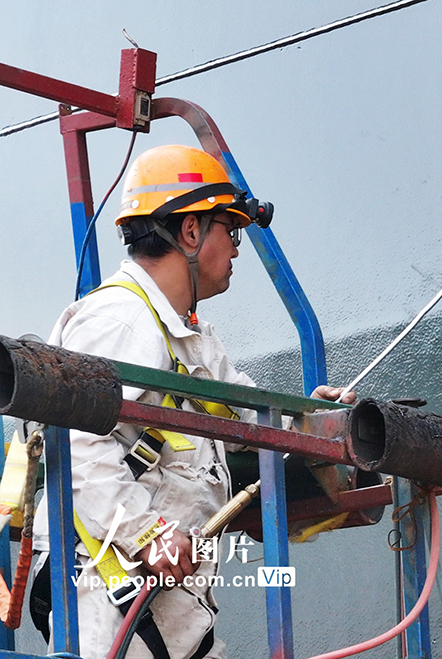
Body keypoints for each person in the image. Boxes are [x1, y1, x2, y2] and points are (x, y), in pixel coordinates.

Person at [30, 144, 353, 659]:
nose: (236, 249)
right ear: (189, 231)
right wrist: (147, 534)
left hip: (162, 597)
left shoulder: (189, 339)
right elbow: (78, 448)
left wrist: (312, 420)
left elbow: (247, 416)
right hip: (104, 588)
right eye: (231, 230)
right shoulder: (119, 320)